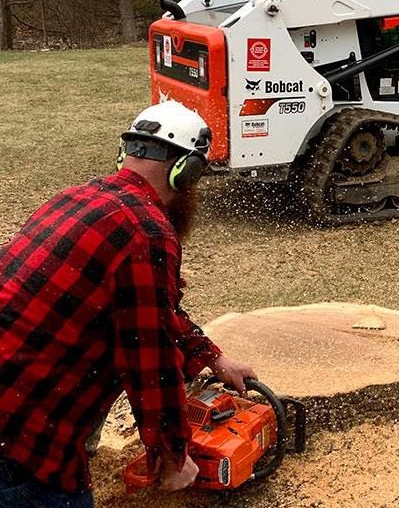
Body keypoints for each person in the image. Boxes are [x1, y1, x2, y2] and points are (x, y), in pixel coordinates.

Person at [0, 101, 257, 507]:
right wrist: (172, 457)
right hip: (22, 431)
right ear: (186, 171)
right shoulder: (146, 232)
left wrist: (213, 358)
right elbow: (149, 361)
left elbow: (153, 308)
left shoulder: (76, 196)